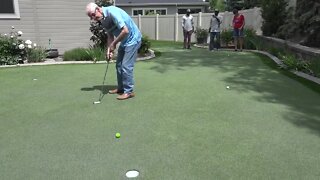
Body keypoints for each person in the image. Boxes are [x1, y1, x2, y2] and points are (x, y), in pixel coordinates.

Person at [86, 3, 142, 100]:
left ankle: (129, 92)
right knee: (119, 65)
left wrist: (114, 44)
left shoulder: (112, 12)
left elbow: (125, 31)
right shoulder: (103, 20)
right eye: (91, 17)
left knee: (126, 66)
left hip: (133, 40)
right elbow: (110, 35)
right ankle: (121, 88)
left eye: (93, 15)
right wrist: (109, 50)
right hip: (125, 41)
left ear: (98, 9)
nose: (93, 18)